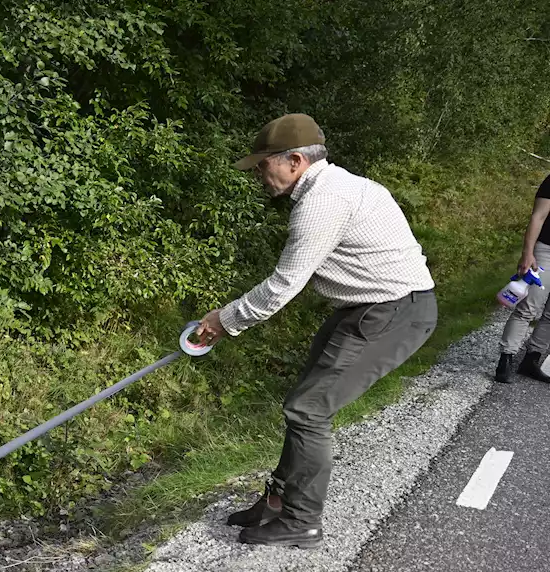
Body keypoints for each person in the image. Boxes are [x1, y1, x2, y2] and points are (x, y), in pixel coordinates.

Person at [196, 114, 437, 549]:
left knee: (308, 410)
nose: (258, 175)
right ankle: (276, 503)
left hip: (394, 312)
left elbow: (284, 285)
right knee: (305, 402)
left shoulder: (322, 203)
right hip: (369, 308)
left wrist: (223, 320)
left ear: (292, 160)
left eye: (262, 165)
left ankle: (302, 521)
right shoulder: (343, 185)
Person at [495, 175, 550, 383]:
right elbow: (538, 217)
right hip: (546, 250)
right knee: (529, 307)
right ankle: (506, 359)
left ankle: (531, 360)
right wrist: (528, 253)